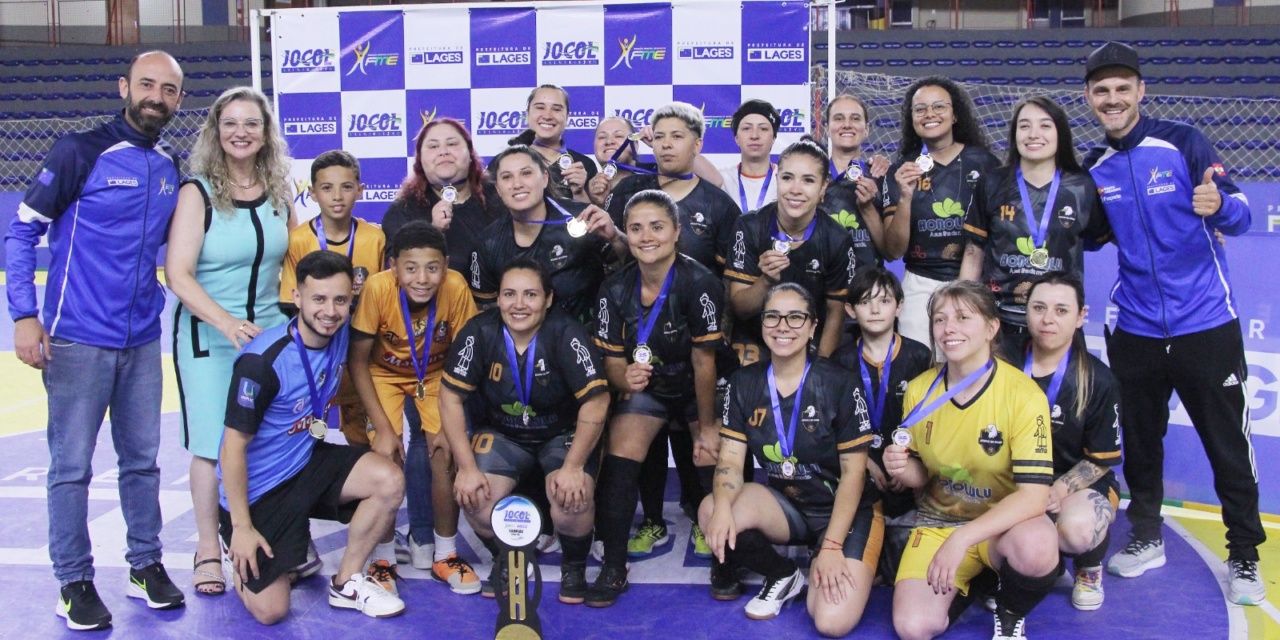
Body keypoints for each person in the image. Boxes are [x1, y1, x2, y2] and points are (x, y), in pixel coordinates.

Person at [6, 50, 187, 630]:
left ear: (179, 100)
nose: (156, 97)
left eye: (169, 89)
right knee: (71, 467)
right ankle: (73, 580)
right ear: (123, 87)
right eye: (146, 85)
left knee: (143, 463)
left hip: (141, 342)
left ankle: (145, 566)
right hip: (77, 339)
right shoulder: (78, 151)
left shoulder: (169, 164)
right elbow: (23, 229)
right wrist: (23, 315)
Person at [1082, 41, 1265, 604]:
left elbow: (1240, 213)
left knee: (1227, 442)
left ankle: (1245, 556)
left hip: (1205, 321)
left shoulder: (1183, 141)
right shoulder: (1094, 165)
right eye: (1101, 91)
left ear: (1141, 91)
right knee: (1141, 439)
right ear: (1090, 98)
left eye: (1122, 88)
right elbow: (1090, 235)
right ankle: (1146, 536)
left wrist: (1222, 206)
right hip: (1134, 324)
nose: (1112, 99)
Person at [219, 251, 405, 624]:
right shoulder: (262, 364)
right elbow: (232, 448)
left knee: (389, 478)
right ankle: (233, 553)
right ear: (297, 297)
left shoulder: (339, 333)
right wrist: (241, 527)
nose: (330, 311)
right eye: (319, 299)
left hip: (305, 462)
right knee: (272, 612)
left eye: (340, 300)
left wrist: (385, 429)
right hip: (260, 492)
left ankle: (348, 581)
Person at [166, 86, 294, 597]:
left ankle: (266, 537)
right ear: (216, 132)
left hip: (267, 335)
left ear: (266, 134)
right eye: (231, 123)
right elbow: (178, 274)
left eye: (252, 124)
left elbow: (294, 263)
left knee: (264, 438)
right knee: (212, 444)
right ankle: (205, 548)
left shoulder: (280, 192)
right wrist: (223, 323)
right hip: (208, 335)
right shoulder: (197, 192)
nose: (241, 132)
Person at [883, 281, 1058, 640]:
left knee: (1038, 546)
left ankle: (1009, 610)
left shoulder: (1024, 395)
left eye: (964, 317)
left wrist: (962, 540)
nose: (949, 329)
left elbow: (1034, 497)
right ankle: (977, 582)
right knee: (913, 627)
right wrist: (902, 468)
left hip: (1001, 526)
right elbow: (921, 476)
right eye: (940, 319)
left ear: (992, 328)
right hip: (939, 520)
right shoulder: (919, 390)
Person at [703, 283, 879, 636]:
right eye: (773, 316)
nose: (783, 326)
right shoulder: (743, 382)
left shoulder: (840, 383)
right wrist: (723, 505)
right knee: (711, 510)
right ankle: (784, 574)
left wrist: (831, 547)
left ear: (813, 326)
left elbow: (854, 475)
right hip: (791, 506)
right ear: (763, 324)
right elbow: (731, 461)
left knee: (831, 621)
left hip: (846, 511)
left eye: (796, 317)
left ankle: (830, 555)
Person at [584, 190, 727, 606]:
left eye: (657, 226)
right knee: (620, 456)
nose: (647, 237)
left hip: (696, 385)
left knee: (713, 455)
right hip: (649, 388)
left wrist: (708, 427)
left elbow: (705, 364)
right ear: (625, 235)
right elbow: (611, 360)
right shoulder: (613, 288)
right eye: (636, 228)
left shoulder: (701, 283)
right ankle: (613, 565)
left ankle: (725, 557)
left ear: (677, 232)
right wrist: (624, 378)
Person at [440, 259, 610, 603]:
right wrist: (467, 468)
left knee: (570, 499)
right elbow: (449, 397)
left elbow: (597, 401)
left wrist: (574, 466)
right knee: (476, 500)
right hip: (504, 435)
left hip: (561, 433)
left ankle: (574, 565)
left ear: (548, 298)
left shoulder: (567, 333)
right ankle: (506, 557)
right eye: (509, 294)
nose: (519, 304)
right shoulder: (478, 331)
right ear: (497, 298)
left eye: (530, 294)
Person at [348, 221, 481, 596]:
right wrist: (385, 430)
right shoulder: (377, 288)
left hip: (437, 374)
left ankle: (445, 554)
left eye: (433, 267)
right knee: (384, 457)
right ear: (394, 266)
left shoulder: (456, 287)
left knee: (445, 450)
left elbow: (465, 357)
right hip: (382, 373)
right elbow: (358, 362)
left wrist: (449, 423)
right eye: (411, 268)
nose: (422, 278)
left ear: (447, 264)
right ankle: (383, 559)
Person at [960, 95, 1110, 356]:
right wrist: (962, 310)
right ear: (1015, 134)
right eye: (1024, 126)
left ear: (1060, 133)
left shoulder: (1081, 186)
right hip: (1000, 323)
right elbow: (974, 253)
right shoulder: (992, 182)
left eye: (1045, 125)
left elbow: (1095, 238)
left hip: (1059, 327)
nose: (1033, 134)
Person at [1023, 273, 1122, 611]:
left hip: (1076, 484)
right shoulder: (1002, 362)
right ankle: (1042, 567)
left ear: (1081, 316)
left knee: (1077, 529)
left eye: (1062, 310)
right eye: (1039, 308)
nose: (1048, 319)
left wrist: (1058, 490)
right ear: (1026, 312)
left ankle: (1088, 565)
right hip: (1016, 479)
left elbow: (1100, 459)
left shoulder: (1098, 378)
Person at [831, 267, 934, 584]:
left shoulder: (919, 355)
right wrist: (867, 466)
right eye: (865, 301)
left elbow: (929, 422)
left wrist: (910, 465)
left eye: (884, 301)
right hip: (861, 472)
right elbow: (835, 428)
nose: (875, 309)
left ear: (899, 306)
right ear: (850, 310)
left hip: (907, 473)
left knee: (908, 569)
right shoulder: (840, 360)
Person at [880, 77, 1001, 347]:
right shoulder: (901, 170)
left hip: (976, 281)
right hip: (920, 283)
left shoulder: (985, 163)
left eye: (938, 106)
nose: (930, 114)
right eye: (920, 109)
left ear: (955, 113)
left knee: (969, 367)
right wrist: (906, 197)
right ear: (911, 118)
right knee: (921, 369)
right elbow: (892, 250)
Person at [724, 138, 853, 363]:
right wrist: (765, 280)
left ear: (823, 187)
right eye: (787, 178)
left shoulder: (837, 238)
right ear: (777, 179)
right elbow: (740, 308)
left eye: (808, 180)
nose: (795, 190)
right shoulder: (749, 226)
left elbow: (835, 313)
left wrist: (820, 370)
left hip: (810, 339)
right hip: (755, 340)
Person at [471, 145, 625, 325]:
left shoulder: (583, 218)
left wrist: (615, 237)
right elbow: (487, 315)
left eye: (526, 173)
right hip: (522, 342)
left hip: (586, 336)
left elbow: (628, 267)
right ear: (497, 188)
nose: (517, 183)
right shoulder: (488, 243)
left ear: (544, 178)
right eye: (507, 177)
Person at [606, 102, 741, 274]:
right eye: (659, 137)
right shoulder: (628, 189)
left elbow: (732, 279)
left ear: (697, 145)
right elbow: (607, 259)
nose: (666, 144)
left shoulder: (719, 204)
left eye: (676, 136)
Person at [382, 117, 506, 276]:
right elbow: (397, 274)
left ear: (470, 153)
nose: (443, 152)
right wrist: (432, 232)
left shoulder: (500, 195)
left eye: (452, 144)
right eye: (433, 146)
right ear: (420, 160)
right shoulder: (403, 210)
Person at [820, 94, 891, 277]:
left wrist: (868, 208)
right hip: (821, 281)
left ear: (866, 129)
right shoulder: (813, 177)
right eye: (838, 118)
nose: (847, 124)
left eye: (855, 118)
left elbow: (890, 252)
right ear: (827, 128)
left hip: (867, 286)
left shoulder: (881, 175)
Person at [504, 84, 597, 202]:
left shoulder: (584, 165)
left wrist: (579, 192)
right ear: (527, 114)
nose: (547, 116)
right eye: (540, 108)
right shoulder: (505, 162)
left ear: (567, 117)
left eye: (557, 109)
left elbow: (591, 218)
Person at [707, 99, 780, 213]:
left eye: (763, 129)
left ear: (774, 138)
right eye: (746, 128)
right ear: (736, 138)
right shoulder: (722, 180)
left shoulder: (786, 180)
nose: (754, 135)